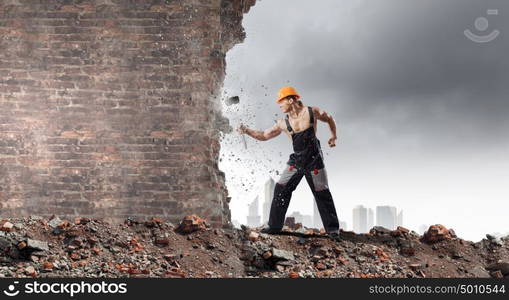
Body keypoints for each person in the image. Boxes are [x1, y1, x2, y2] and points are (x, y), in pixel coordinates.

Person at [237, 86, 341, 240]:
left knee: (322, 193)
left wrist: (333, 136)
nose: (280, 106)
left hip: (314, 161)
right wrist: (246, 130)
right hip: (296, 162)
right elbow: (264, 135)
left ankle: (333, 230)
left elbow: (329, 118)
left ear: (291, 100)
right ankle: (274, 226)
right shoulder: (283, 123)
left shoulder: (312, 112)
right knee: (281, 189)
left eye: (281, 102)